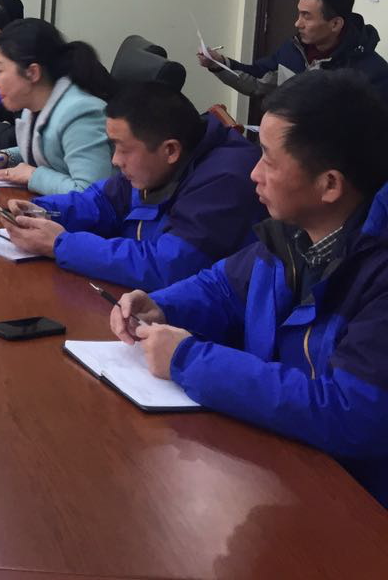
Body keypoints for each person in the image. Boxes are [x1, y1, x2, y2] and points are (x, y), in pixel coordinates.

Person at [109, 71, 388, 505]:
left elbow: (348, 412)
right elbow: (222, 287)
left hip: (353, 504)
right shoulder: (293, 232)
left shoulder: (378, 276)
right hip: (279, 465)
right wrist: (161, 306)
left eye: (269, 161)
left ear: (329, 184)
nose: (253, 173)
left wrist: (187, 359)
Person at [3, 82, 264, 287]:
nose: (115, 161)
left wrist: (62, 245)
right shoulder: (155, 164)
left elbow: (168, 266)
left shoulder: (226, 180)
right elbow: (103, 202)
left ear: (170, 150)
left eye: (123, 149)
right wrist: (43, 211)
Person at [0, 18, 114, 194]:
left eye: (0, 71)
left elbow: (92, 193)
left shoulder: (80, 113)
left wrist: (33, 175)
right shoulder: (34, 107)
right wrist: (6, 157)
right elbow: (49, 151)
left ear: (32, 73)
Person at [201, 0, 388, 99]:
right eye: (299, 14)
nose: (298, 23)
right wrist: (219, 64)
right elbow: (258, 80)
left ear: (335, 24)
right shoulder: (293, 49)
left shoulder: (372, 72)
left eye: (307, 16)